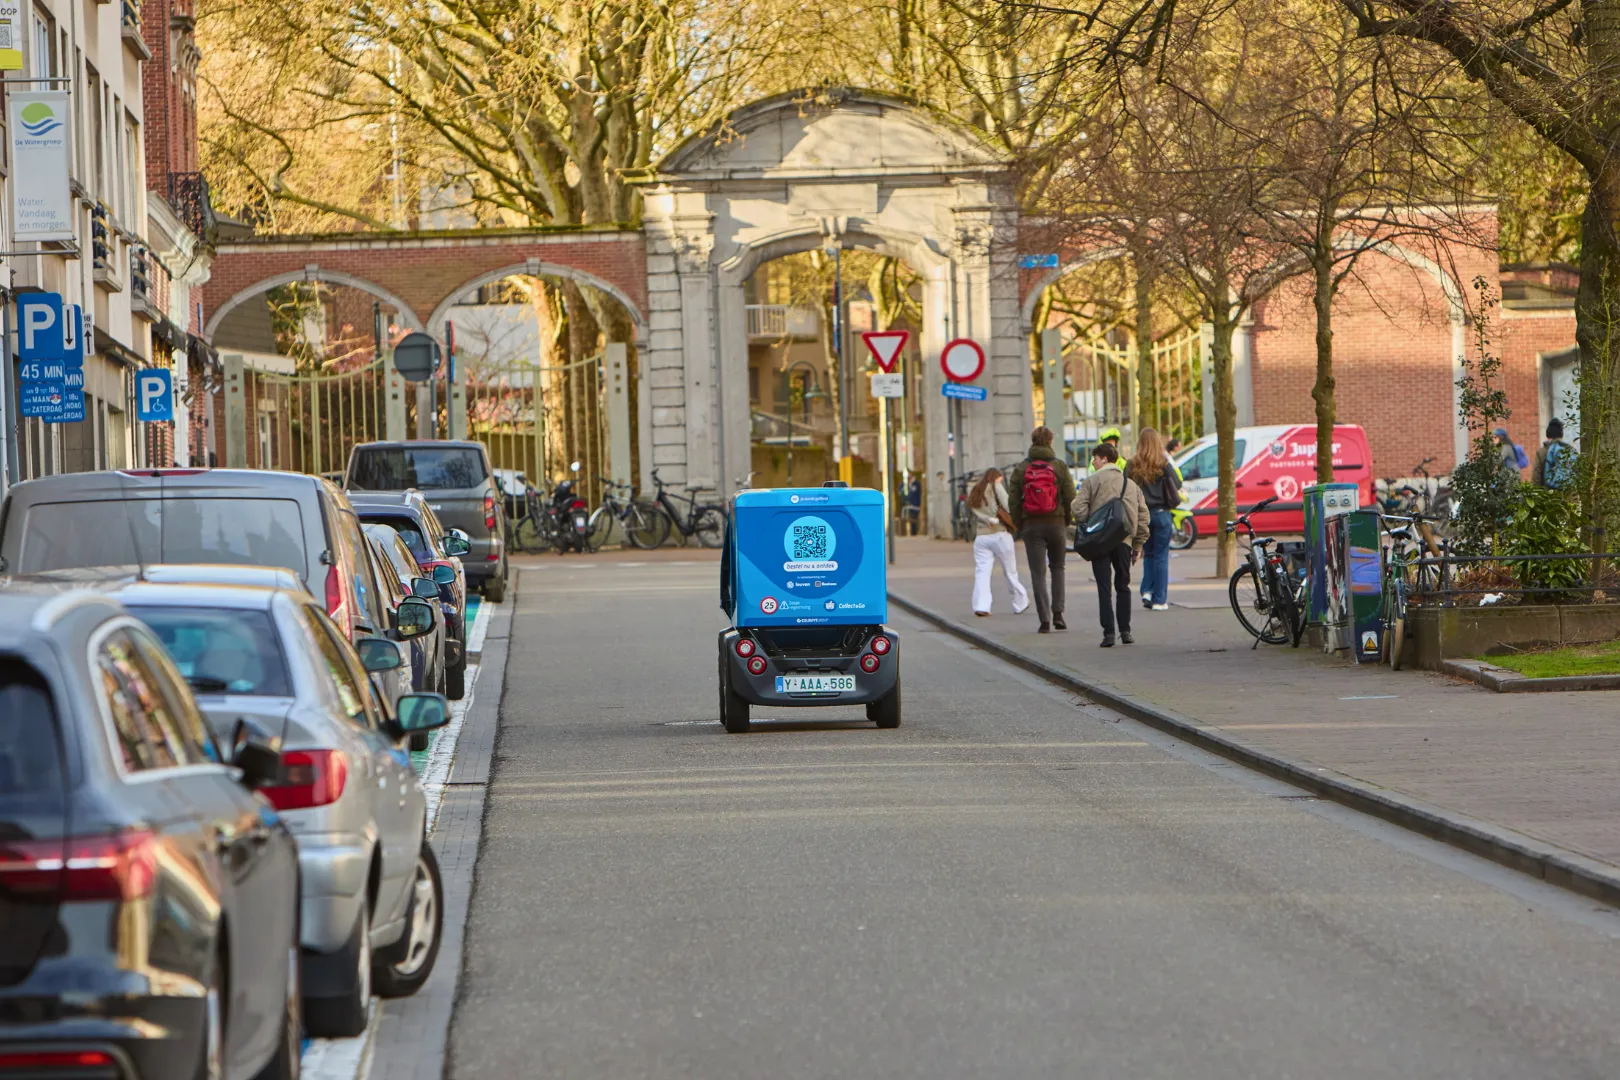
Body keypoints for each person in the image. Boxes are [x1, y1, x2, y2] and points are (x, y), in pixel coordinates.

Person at [1072, 442, 1149, 647]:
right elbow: (1142, 516)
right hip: (1124, 540)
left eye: (1095, 459)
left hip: (1099, 541)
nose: (1093, 463)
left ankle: (1108, 633)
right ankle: (1125, 631)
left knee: (1103, 586)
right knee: (1123, 585)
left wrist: (1092, 521)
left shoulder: (1091, 481)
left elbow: (1077, 509)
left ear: (1104, 459)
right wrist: (1138, 544)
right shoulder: (1130, 485)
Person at [1008, 425, 1077, 634]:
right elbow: (1070, 496)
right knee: (1058, 567)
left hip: (1031, 525)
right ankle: (1058, 614)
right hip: (1056, 523)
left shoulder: (1022, 468)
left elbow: (1013, 501)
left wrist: (1020, 524)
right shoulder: (1059, 466)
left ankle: (1044, 620)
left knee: (1038, 573)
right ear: (1050, 441)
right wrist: (1066, 520)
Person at [1128, 428, 1180, 611]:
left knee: (1147, 554)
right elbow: (1178, 483)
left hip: (1142, 515)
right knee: (1161, 556)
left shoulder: (1132, 464)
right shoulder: (1163, 463)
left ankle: (1147, 590)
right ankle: (1159, 599)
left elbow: (1126, 488)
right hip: (1162, 513)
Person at [966, 468, 1029, 617]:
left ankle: (982, 606)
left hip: (981, 536)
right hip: (1000, 534)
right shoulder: (995, 486)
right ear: (996, 477)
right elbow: (1009, 506)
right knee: (1010, 572)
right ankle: (1020, 603)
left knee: (982, 572)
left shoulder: (976, 490)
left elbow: (972, 510)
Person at [1533, 420, 1576, 489]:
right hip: (1566, 494)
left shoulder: (1541, 452)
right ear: (1561, 434)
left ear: (1547, 434)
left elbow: (1536, 476)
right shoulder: (1570, 450)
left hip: (1548, 495)